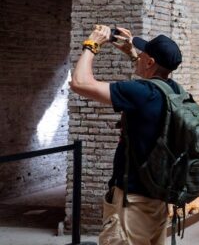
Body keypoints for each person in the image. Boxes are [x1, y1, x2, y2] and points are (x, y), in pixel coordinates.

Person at [70, 25, 183, 245]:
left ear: (150, 62)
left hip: (132, 204)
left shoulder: (141, 93)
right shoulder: (175, 91)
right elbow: (151, 79)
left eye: (142, 54)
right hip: (158, 198)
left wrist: (92, 44)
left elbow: (79, 83)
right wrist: (132, 53)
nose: (138, 55)